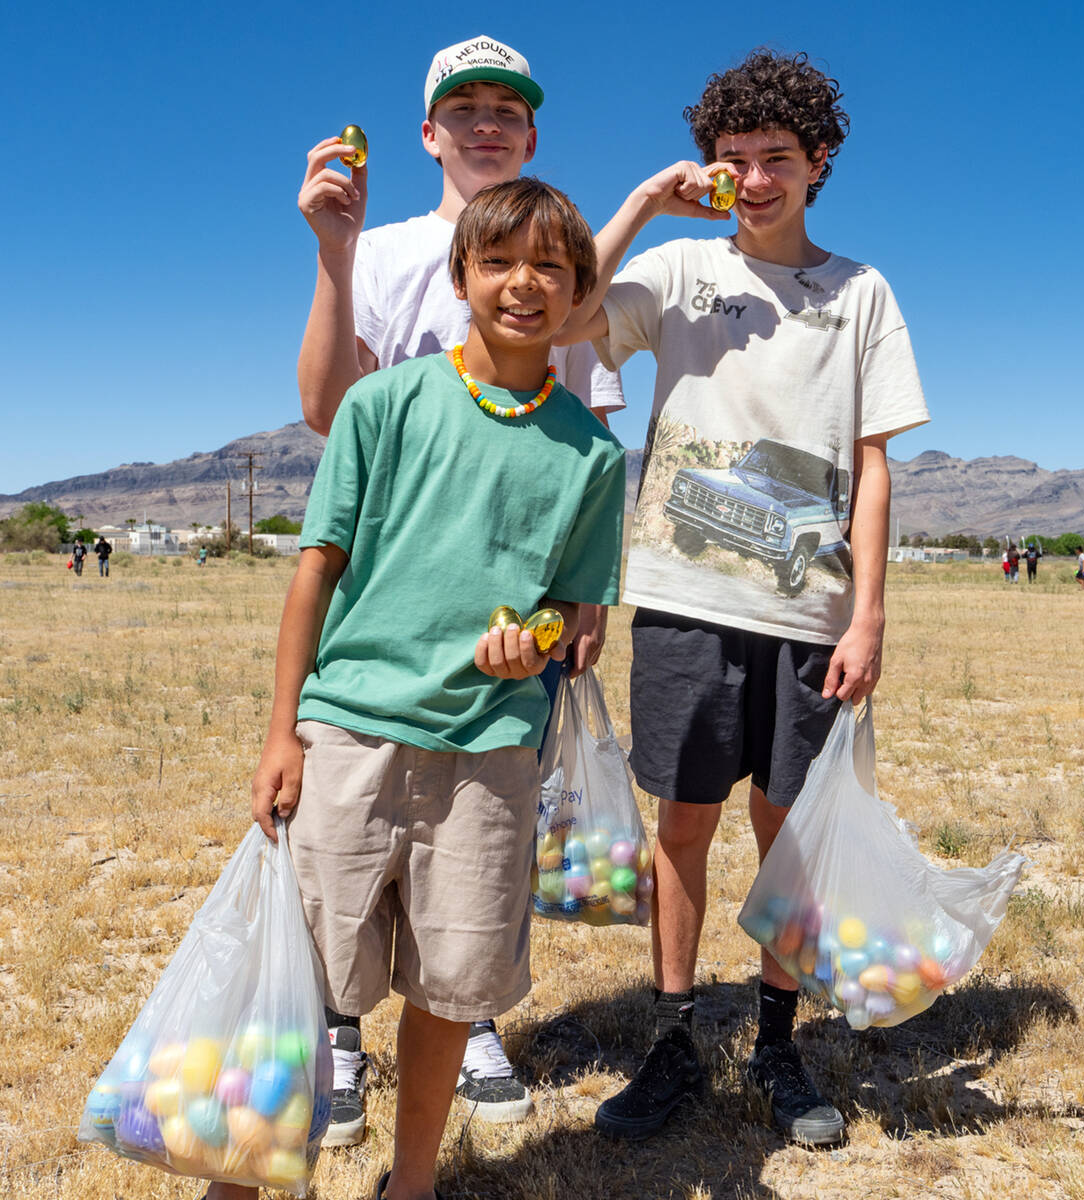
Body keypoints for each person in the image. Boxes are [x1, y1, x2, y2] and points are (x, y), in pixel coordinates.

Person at [205, 179, 624, 1200]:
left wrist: (537, 645)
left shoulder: (594, 453)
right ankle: (244, 1178)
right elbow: (316, 572)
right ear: (461, 276)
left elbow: (575, 619)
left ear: (576, 295)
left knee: (449, 989)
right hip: (349, 733)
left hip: (489, 756)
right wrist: (283, 734)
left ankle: (414, 1181)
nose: (523, 284)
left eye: (550, 268)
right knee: (297, 981)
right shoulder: (382, 406)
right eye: (499, 262)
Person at [555, 50, 929, 1145]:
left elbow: (871, 464)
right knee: (682, 824)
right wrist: (637, 202)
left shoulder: (860, 291)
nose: (754, 179)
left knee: (788, 834)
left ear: (818, 163)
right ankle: (671, 1041)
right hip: (682, 595)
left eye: (777, 159)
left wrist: (865, 615)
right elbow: (571, 317)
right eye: (734, 160)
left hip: (807, 614)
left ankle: (776, 1041)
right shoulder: (675, 272)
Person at [295, 35, 624, 1136]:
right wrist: (334, 257)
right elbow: (330, 411)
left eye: (508, 109)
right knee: (330, 910)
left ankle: (462, 1018)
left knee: (463, 910)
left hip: (491, 699)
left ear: (532, 134)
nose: (487, 123)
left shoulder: (561, 281)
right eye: (463, 108)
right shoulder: (389, 256)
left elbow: (577, 464)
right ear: (429, 132)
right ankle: (337, 1040)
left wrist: (550, 627)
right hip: (380, 646)